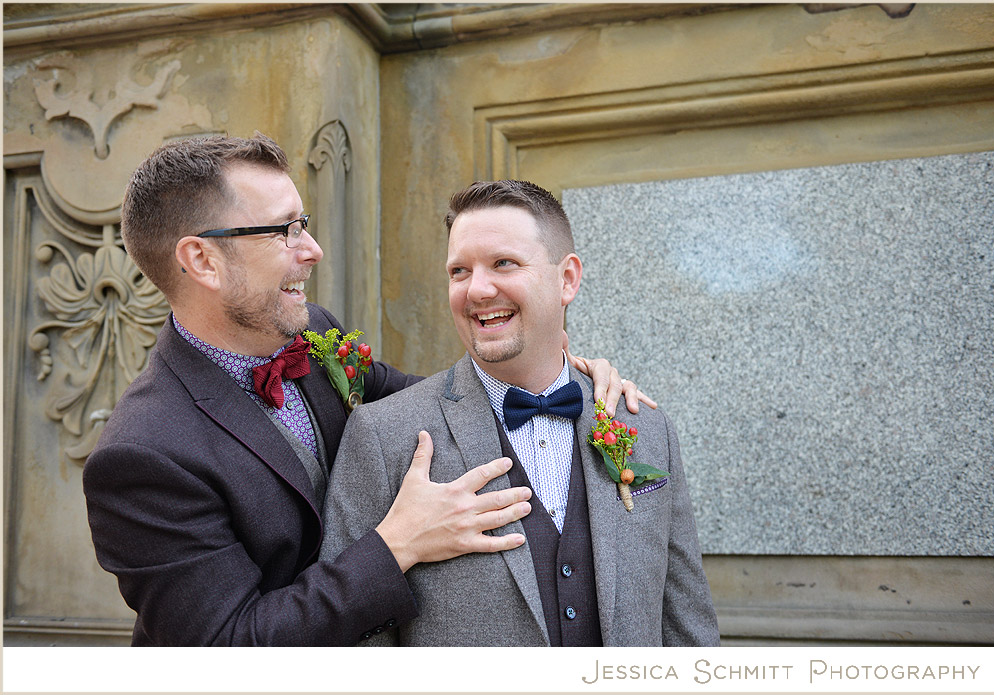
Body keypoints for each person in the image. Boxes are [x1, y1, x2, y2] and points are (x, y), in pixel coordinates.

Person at [82, 134, 647, 646]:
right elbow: (232, 649)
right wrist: (397, 545)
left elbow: (436, 403)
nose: (312, 249)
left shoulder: (315, 333)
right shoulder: (140, 457)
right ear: (201, 259)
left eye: (302, 223)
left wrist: (555, 378)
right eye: (284, 231)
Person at [320, 180, 719, 646]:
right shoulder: (385, 436)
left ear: (566, 279)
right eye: (459, 271)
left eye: (503, 263)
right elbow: (350, 645)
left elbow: (687, 630)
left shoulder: (646, 428)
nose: (477, 290)